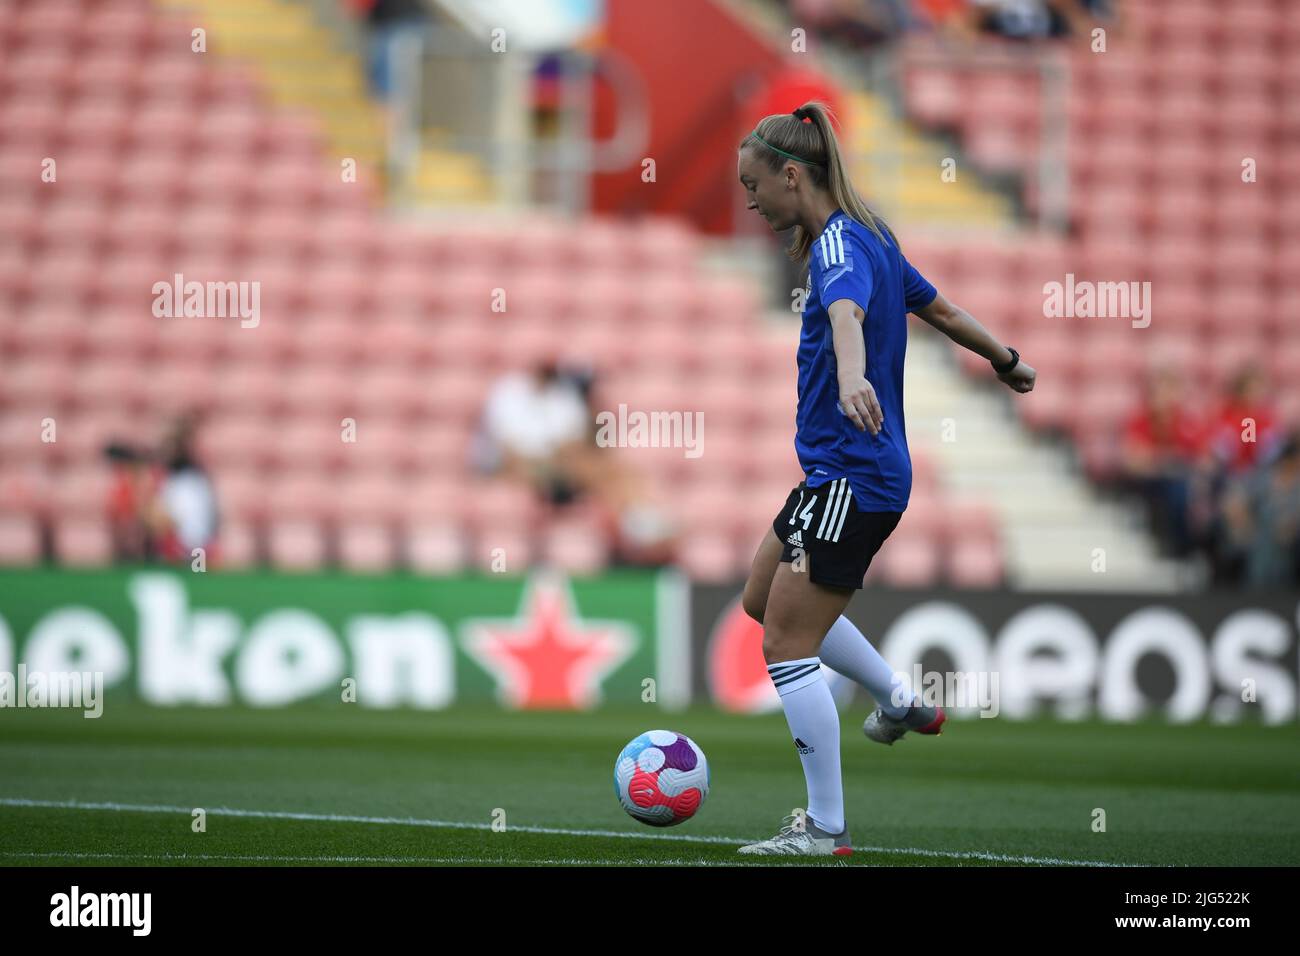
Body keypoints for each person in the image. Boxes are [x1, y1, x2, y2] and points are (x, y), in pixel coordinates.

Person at [733, 101, 1034, 856]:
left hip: (852, 475)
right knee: (759, 598)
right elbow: (943, 310)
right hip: (841, 473)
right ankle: (898, 698)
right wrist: (1004, 358)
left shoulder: (839, 247)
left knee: (784, 645)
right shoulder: (874, 236)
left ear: (792, 175)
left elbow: (843, 317)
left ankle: (825, 830)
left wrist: (854, 377)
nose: (751, 200)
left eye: (754, 185)